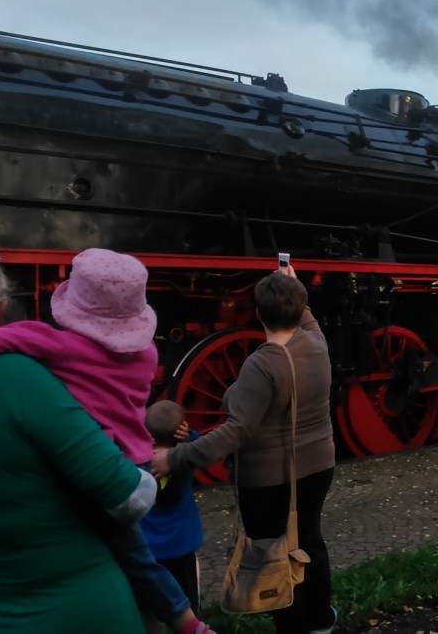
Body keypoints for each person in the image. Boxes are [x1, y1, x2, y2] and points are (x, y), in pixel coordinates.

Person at [0, 247, 213, 634]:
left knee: (133, 553)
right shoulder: (146, 354)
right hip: (134, 458)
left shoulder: (55, 346)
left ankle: (184, 620)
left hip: (103, 464)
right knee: (135, 552)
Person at [153, 266, 338, 634]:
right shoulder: (316, 342)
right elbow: (307, 317)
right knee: (309, 540)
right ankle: (320, 620)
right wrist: (291, 284)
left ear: (257, 314)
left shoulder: (262, 364)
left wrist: (174, 457)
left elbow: (236, 431)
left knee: (274, 556)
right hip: (319, 466)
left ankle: (292, 627)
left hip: (271, 480)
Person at [142, 401, 205, 616]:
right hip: (183, 545)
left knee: (150, 609)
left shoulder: (140, 463)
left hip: (149, 549)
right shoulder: (185, 458)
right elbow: (200, 446)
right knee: (189, 604)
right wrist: (188, 437)